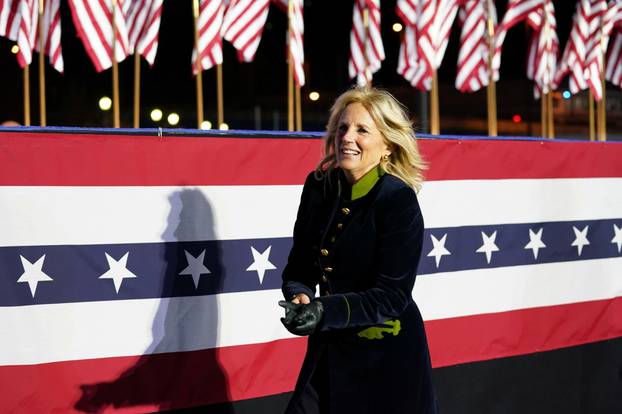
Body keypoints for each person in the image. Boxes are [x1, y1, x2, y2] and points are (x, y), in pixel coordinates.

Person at [279, 87, 437, 414]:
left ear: (388, 146)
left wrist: (323, 311)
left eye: (362, 130)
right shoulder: (319, 187)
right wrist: (301, 297)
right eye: (342, 127)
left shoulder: (397, 200)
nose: (347, 137)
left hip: (385, 355)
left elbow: (392, 296)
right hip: (328, 349)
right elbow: (299, 268)